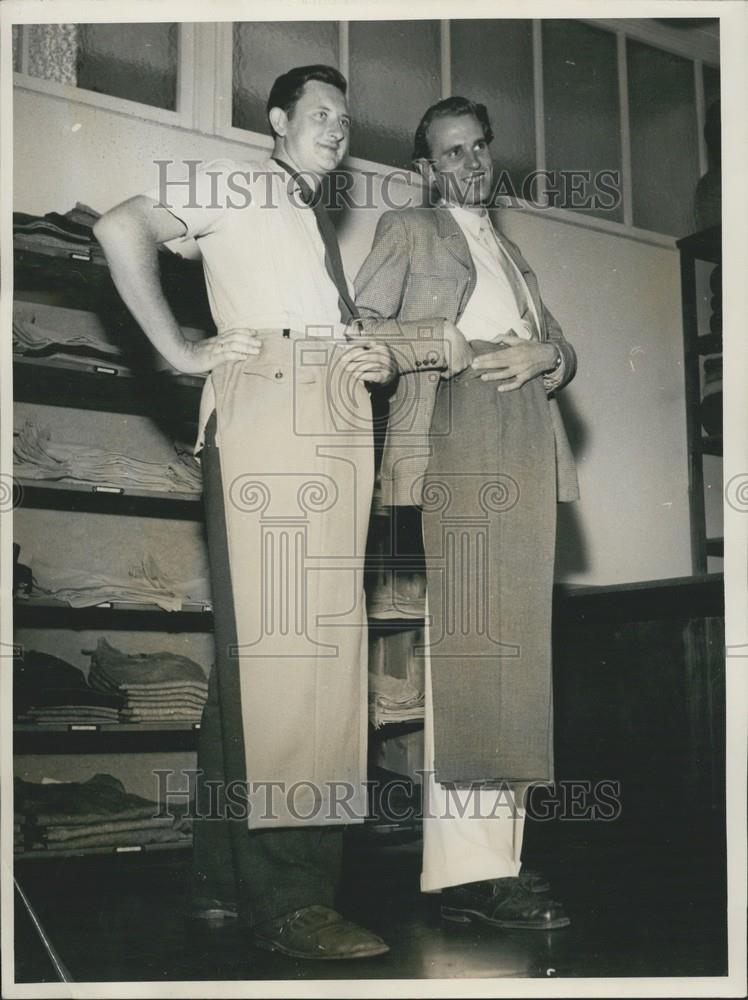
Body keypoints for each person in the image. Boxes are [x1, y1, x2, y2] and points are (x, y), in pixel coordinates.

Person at [94, 64, 395, 961]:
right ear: (275, 121)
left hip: (323, 399)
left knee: (260, 655)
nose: (337, 126)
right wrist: (177, 351)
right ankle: (294, 901)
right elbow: (121, 227)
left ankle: (224, 886)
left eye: (346, 116)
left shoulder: (303, 215)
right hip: (275, 402)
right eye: (318, 112)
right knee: (305, 654)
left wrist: (364, 356)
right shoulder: (239, 176)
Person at [354, 95, 579, 930]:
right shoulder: (411, 231)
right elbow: (362, 333)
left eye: (480, 146)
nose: (471, 163)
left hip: (522, 438)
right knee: (475, 652)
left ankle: (500, 861)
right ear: (427, 168)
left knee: (512, 657)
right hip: (459, 433)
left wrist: (548, 353)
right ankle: (473, 875)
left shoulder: (510, 249)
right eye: (452, 153)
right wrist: (446, 345)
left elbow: (562, 345)